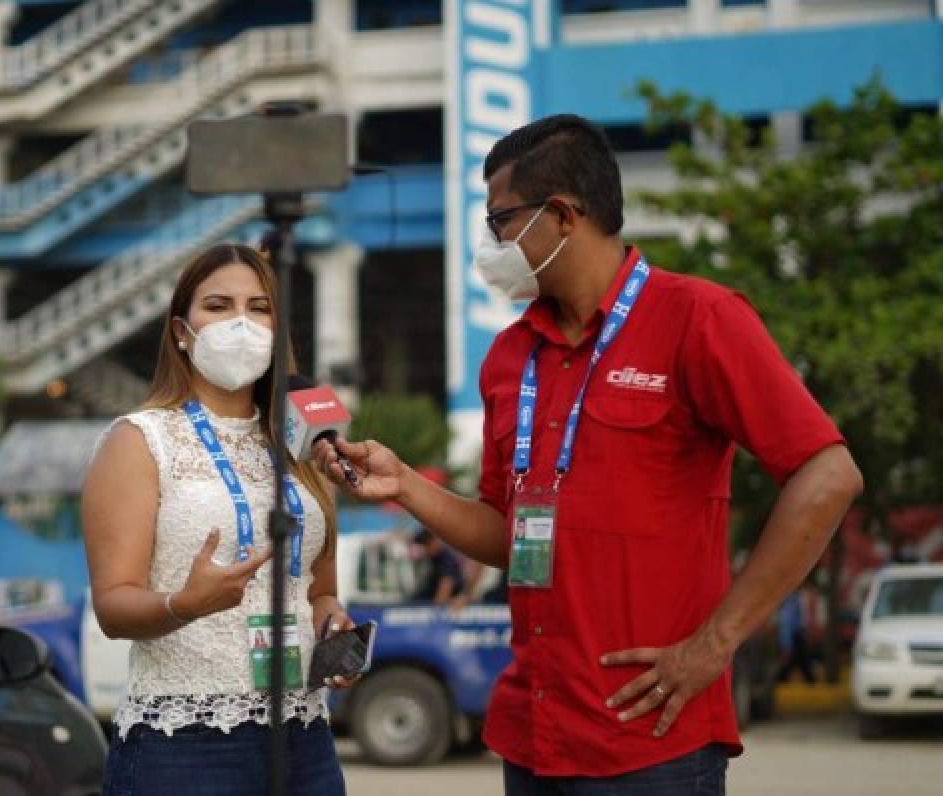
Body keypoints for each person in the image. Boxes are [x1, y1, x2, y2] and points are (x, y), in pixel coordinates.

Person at [314, 115, 864, 794]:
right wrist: (404, 485)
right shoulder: (510, 358)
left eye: (501, 222)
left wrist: (715, 643)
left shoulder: (698, 318)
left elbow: (829, 474)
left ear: (563, 216)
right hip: (534, 736)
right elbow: (509, 536)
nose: (492, 244)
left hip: (652, 742)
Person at [83, 243, 354, 796]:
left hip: (302, 735)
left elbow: (320, 594)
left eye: (259, 308)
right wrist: (183, 604)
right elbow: (113, 605)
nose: (241, 323)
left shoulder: (304, 447)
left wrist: (334, 630)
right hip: (185, 741)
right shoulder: (140, 440)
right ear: (182, 330)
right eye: (218, 305)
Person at [408, 528, 465, 605]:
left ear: (432, 543)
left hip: (442, 606)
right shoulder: (433, 559)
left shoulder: (446, 559)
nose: (425, 550)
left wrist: (435, 610)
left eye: (425, 546)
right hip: (427, 599)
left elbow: (446, 586)